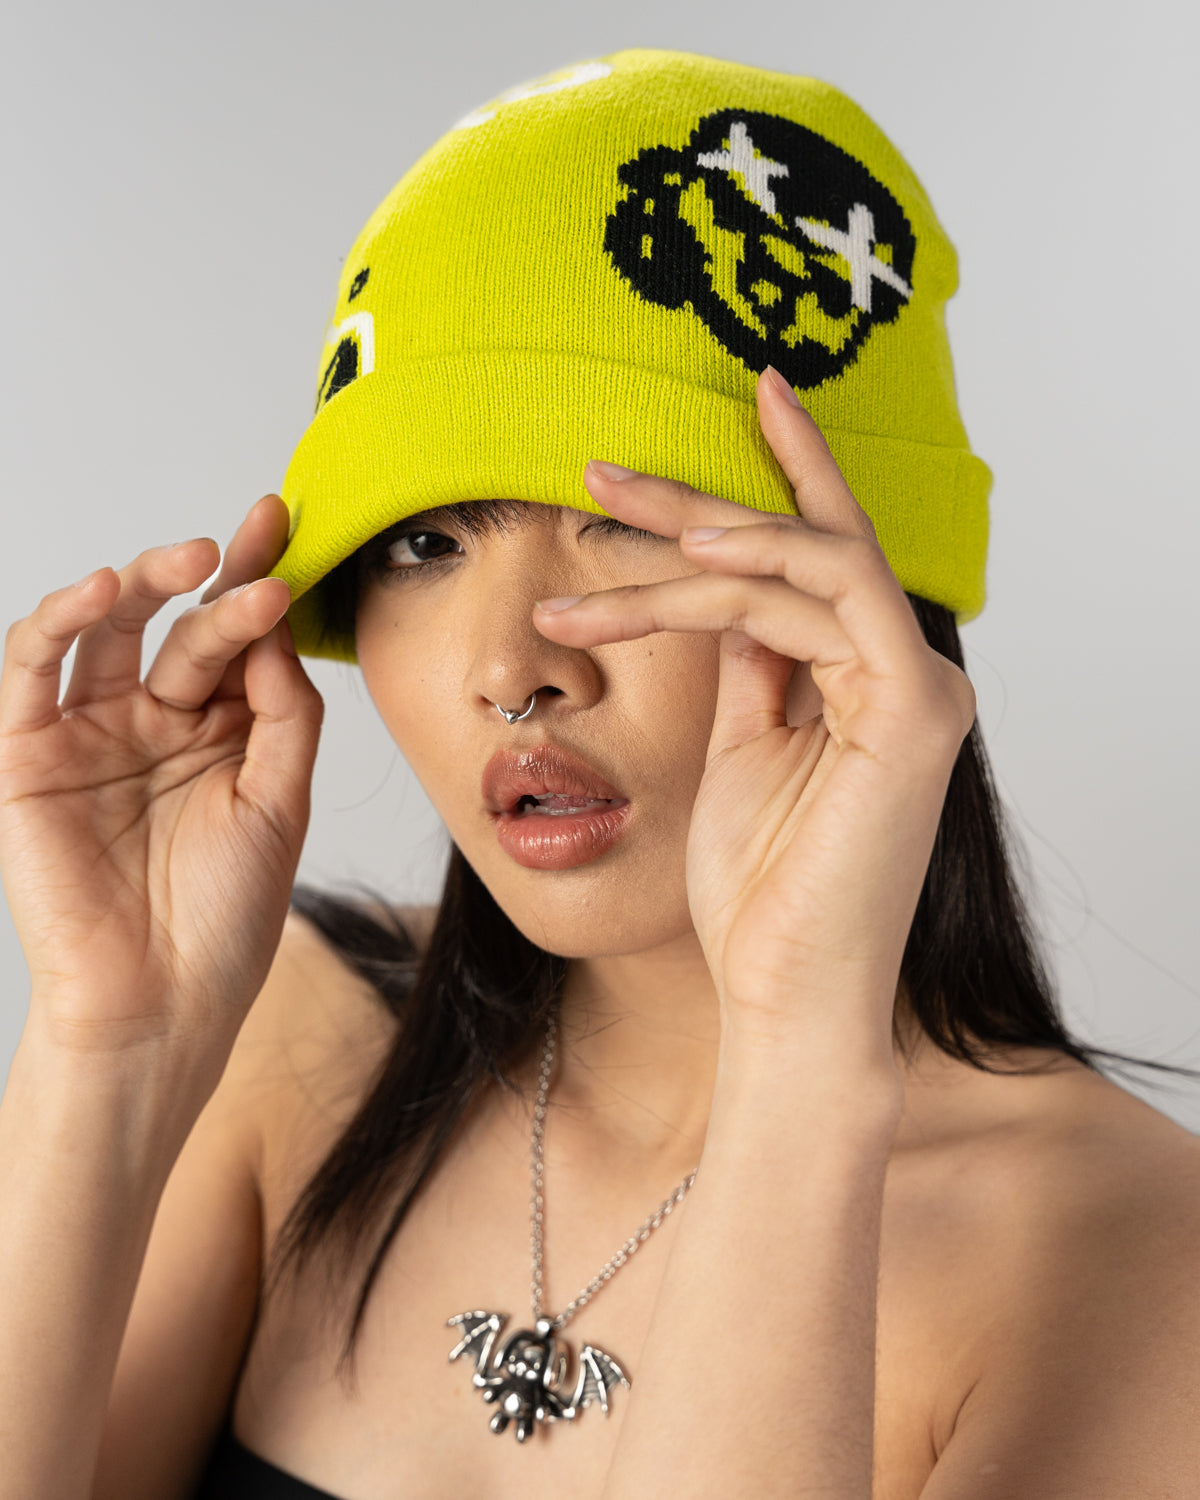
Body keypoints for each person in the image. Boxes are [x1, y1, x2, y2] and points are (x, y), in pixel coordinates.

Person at [1, 47, 1197, 1500]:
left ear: (867, 605)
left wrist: (800, 1067)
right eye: (424, 544)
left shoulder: (1138, 1263)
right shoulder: (303, 1045)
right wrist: (106, 1048)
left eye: (626, 521)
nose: (511, 667)